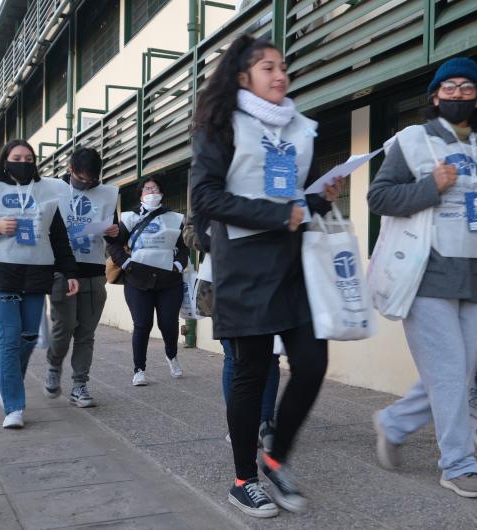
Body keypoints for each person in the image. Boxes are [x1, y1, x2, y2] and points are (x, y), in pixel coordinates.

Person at [191, 34, 343, 518]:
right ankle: (243, 480)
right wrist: (283, 216)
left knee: (313, 364)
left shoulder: (298, 128)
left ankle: (275, 454)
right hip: (245, 266)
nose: (280, 75)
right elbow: (206, 200)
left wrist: (319, 198)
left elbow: (290, 197)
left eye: (283, 67)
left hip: (293, 264)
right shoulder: (222, 125)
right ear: (243, 78)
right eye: (267, 68)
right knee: (253, 375)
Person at [368, 57, 477, 498]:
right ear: (434, 97)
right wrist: (432, 186)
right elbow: (379, 196)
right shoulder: (412, 142)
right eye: (447, 87)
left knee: (459, 374)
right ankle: (457, 463)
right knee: (450, 372)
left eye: (467, 88)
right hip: (425, 274)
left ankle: (395, 422)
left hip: (476, 279)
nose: (456, 94)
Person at [0, 139, 79, 429]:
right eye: (18, 157)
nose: (24, 162)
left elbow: (58, 237)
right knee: (10, 336)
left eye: (29, 158)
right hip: (1, 275)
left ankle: (3, 376)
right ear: (5, 160)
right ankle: (13, 405)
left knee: (29, 338)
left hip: (37, 275)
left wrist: (70, 272)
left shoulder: (46, 192)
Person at [183, 216, 280, 449]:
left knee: (271, 354)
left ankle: (266, 422)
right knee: (235, 356)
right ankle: (239, 422)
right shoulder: (211, 186)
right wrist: (210, 240)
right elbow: (188, 230)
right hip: (223, 281)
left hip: (268, 279)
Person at [42, 147, 119, 407]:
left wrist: (115, 232)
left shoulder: (106, 195)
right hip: (63, 271)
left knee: (86, 333)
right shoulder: (54, 191)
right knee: (63, 328)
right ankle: (54, 365)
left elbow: (115, 235)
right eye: (83, 178)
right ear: (70, 169)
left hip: (94, 272)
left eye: (93, 180)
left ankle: (80, 384)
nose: (88, 184)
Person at [106, 177, 188, 384]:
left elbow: (184, 247)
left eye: (155, 188)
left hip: (169, 280)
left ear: (162, 193)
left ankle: (171, 355)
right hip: (137, 279)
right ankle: (139, 369)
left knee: (168, 324)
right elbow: (114, 245)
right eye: (147, 189)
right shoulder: (129, 218)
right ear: (140, 195)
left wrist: (178, 265)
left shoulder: (175, 218)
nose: (151, 192)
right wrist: (126, 264)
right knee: (142, 324)